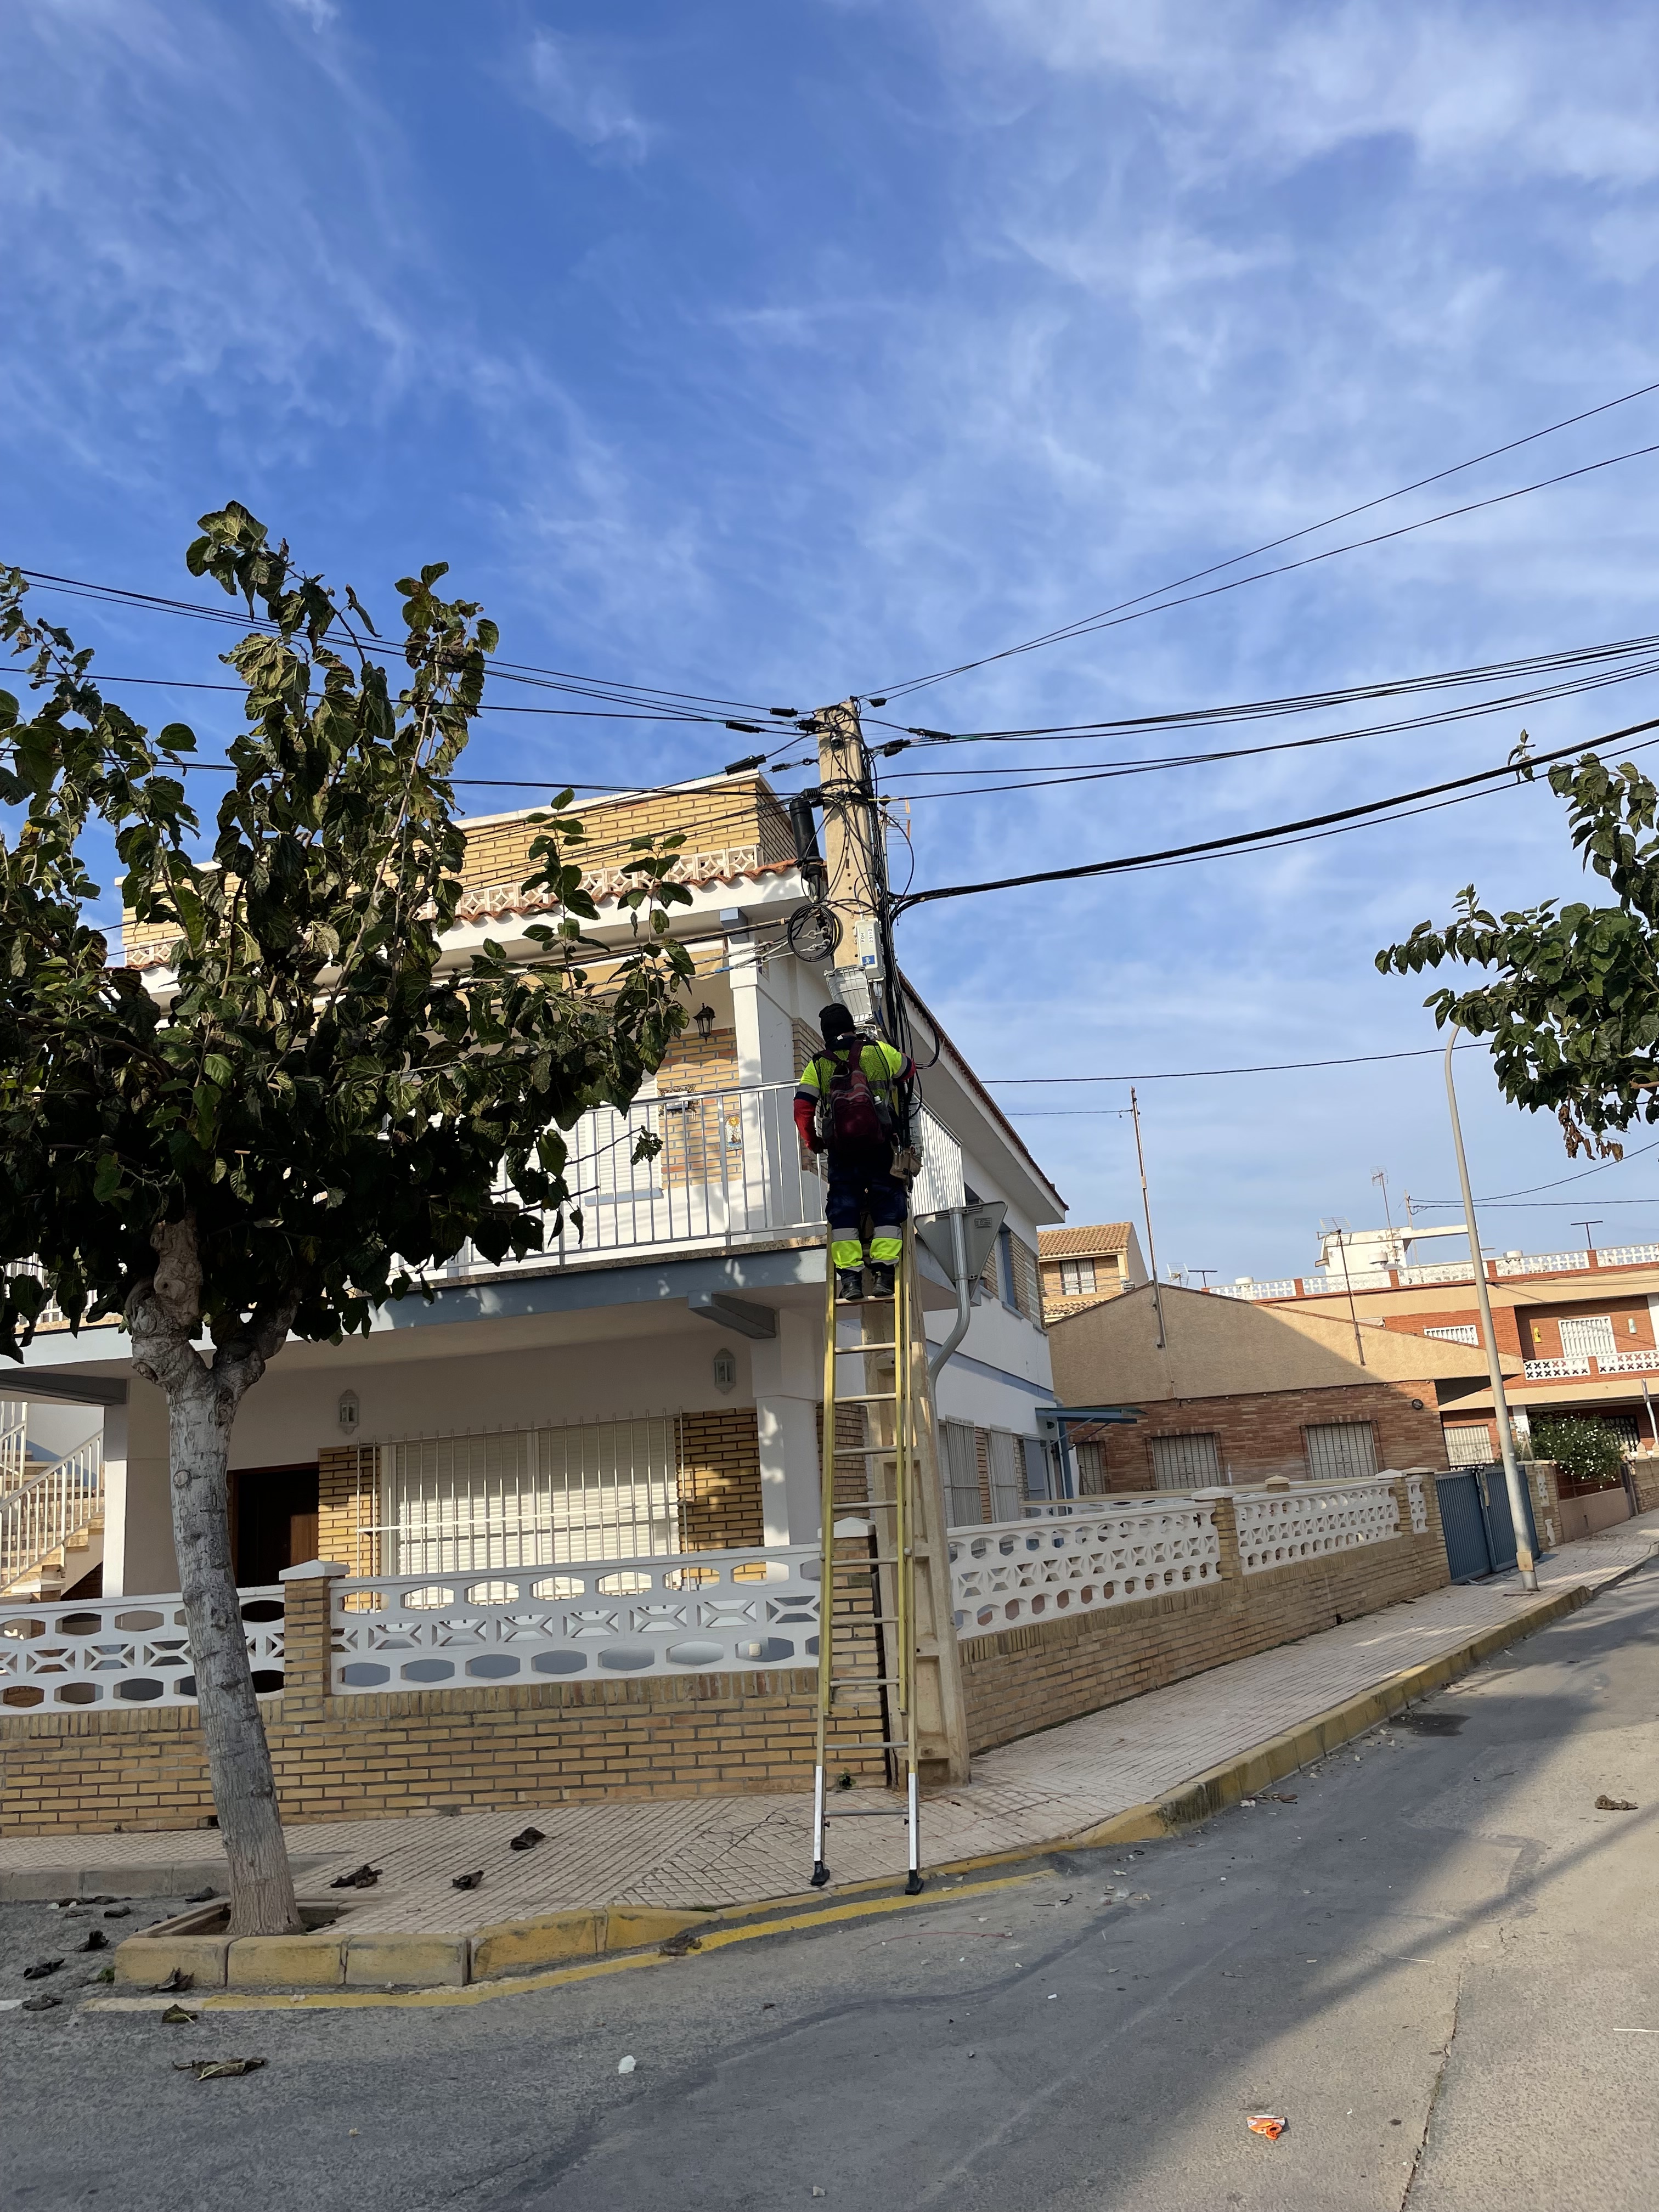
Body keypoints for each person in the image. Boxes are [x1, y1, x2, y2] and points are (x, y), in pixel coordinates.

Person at [793, 1003, 916, 1301]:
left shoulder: (818, 1064)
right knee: (887, 1206)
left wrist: (813, 1142)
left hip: (842, 1151)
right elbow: (909, 1069)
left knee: (843, 1210)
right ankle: (884, 1275)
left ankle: (850, 1280)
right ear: (852, 1026)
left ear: (826, 1034)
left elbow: (802, 1108)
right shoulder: (878, 1051)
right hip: (881, 1146)